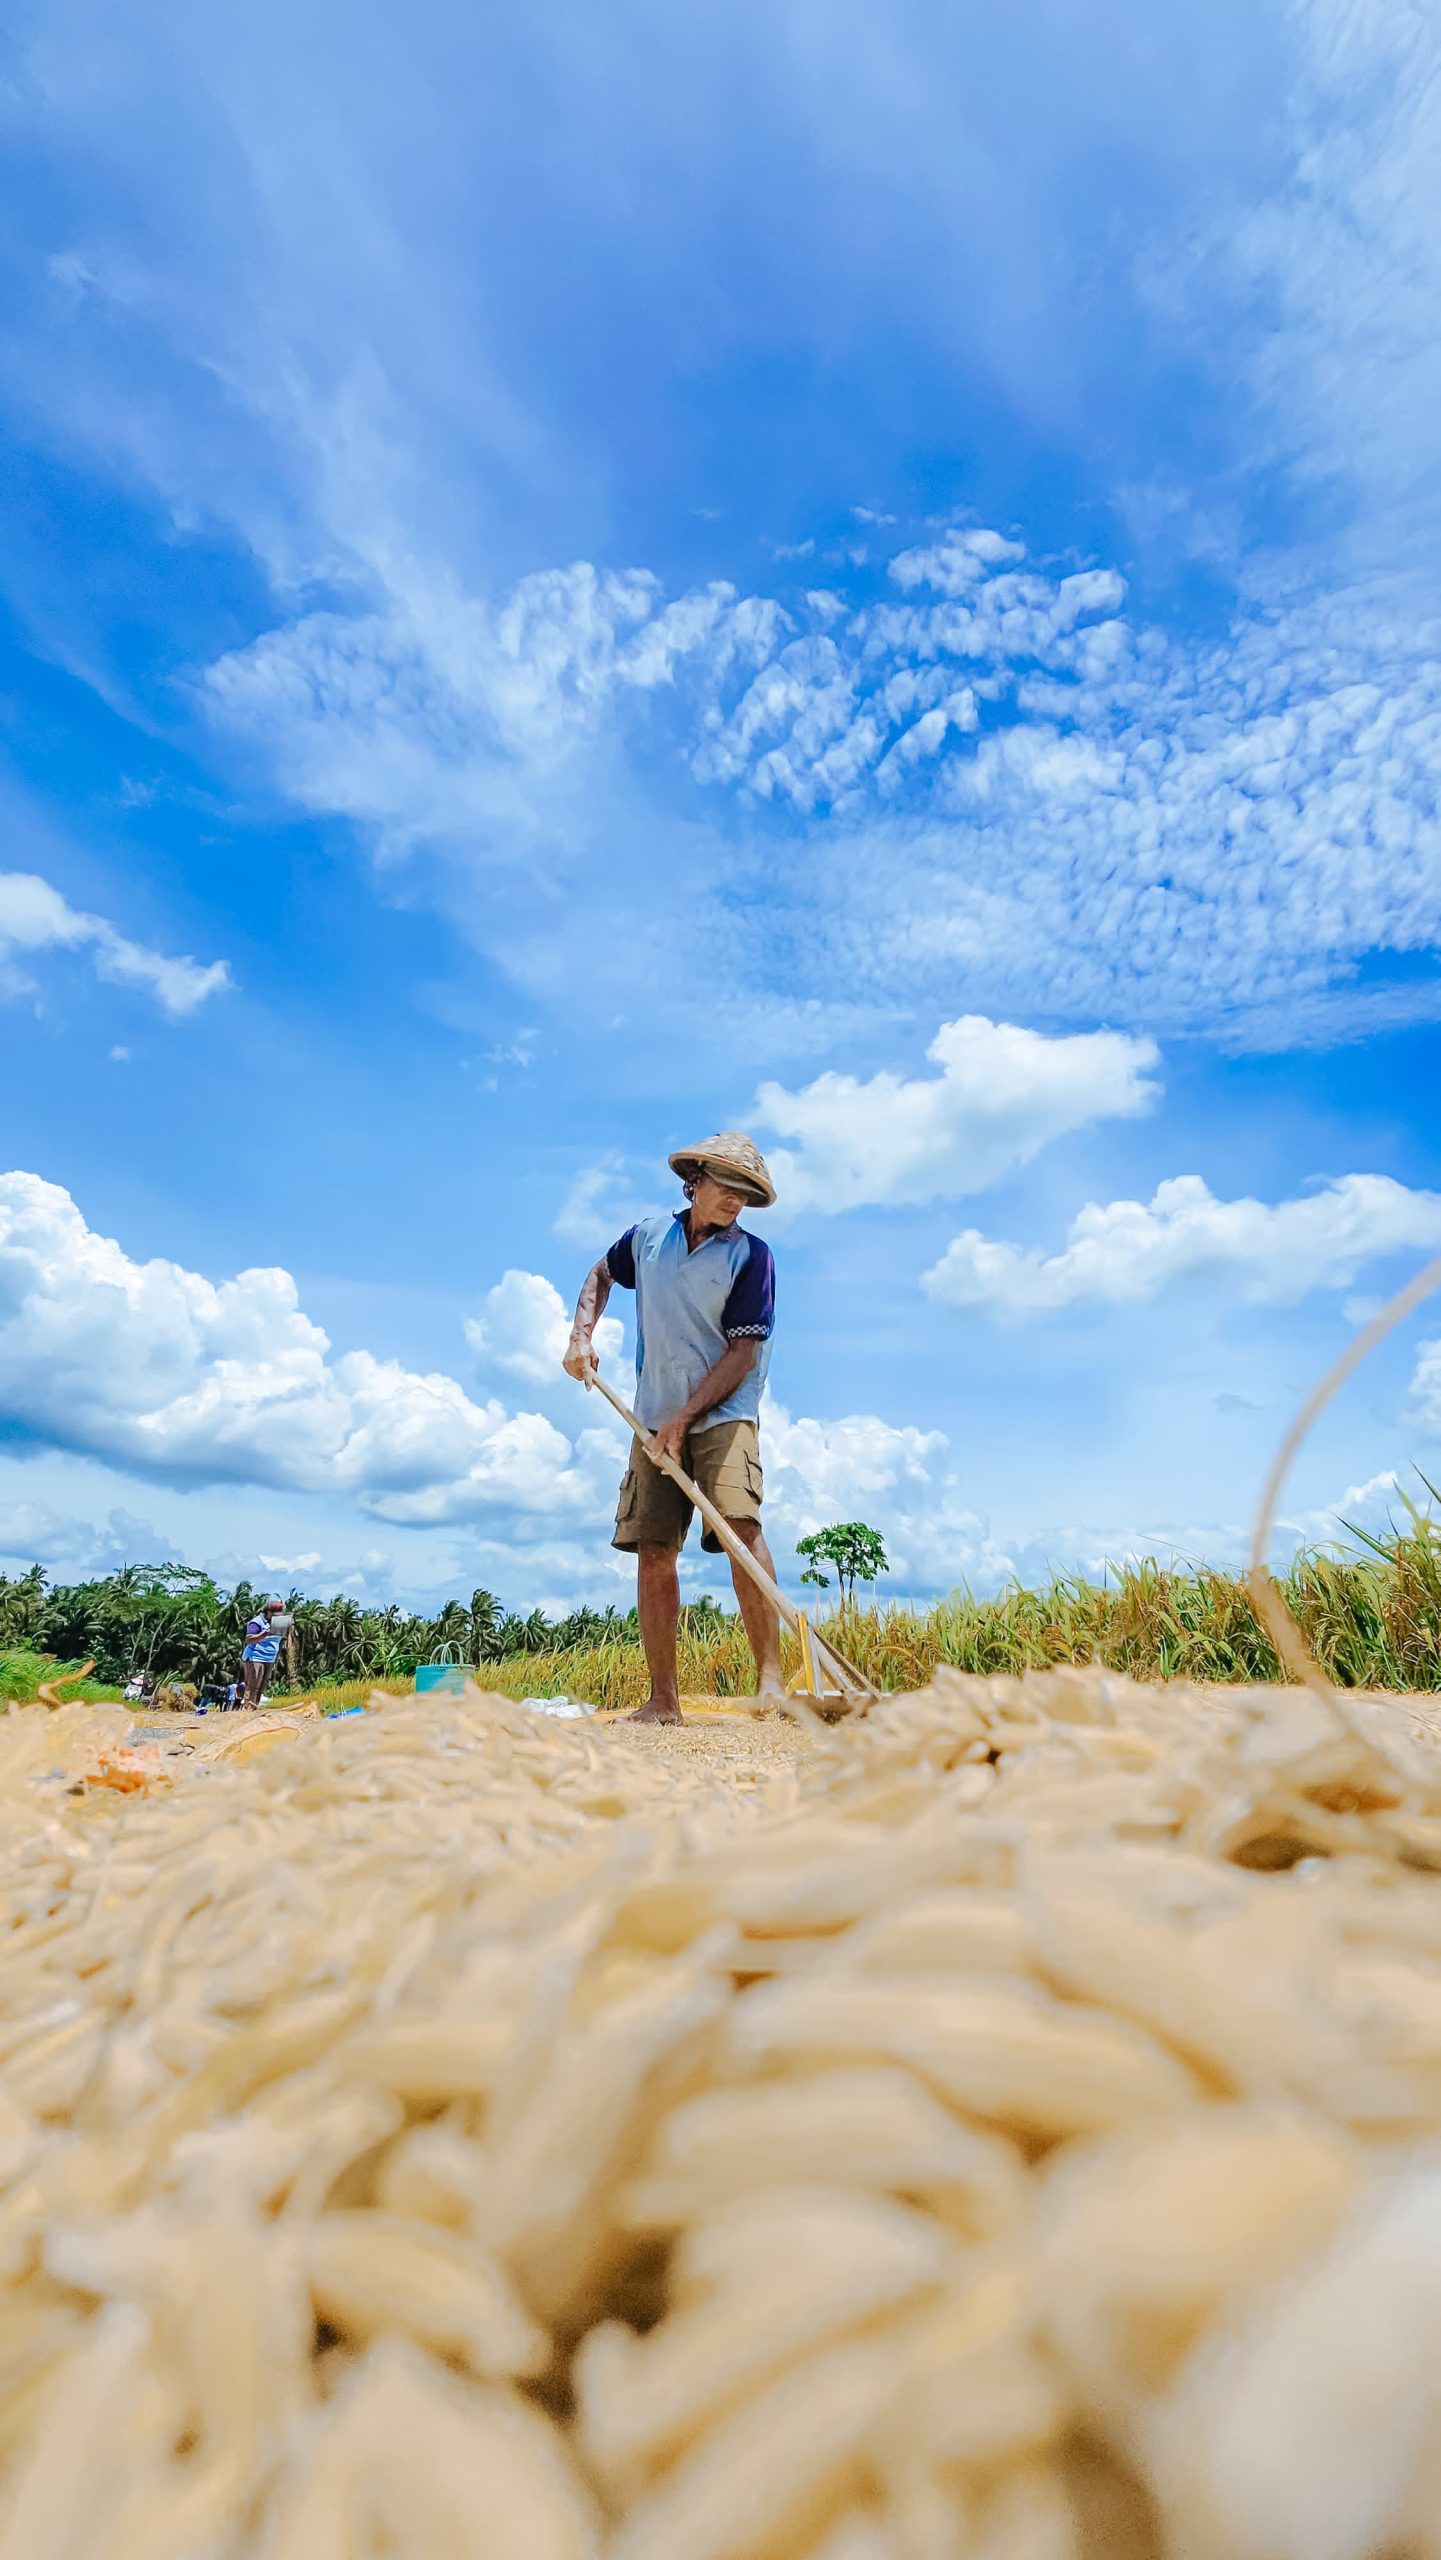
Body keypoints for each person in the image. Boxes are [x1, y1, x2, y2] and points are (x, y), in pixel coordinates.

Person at [565, 1131, 782, 1725]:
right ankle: (664, 1701)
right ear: (696, 1182)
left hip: (723, 1412)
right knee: (654, 1546)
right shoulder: (648, 1238)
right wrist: (580, 1336)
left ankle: (771, 1682)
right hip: (651, 1414)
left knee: (740, 1525)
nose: (736, 1201)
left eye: (747, 1194)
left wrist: (685, 1421)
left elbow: (741, 1355)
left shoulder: (751, 1257)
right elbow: (599, 1274)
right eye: (727, 1188)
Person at [240, 1599, 290, 1707]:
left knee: (261, 1686)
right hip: (255, 1656)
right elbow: (249, 1639)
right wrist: (264, 1634)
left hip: (270, 1658)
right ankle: (246, 1708)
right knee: (253, 1684)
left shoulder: (279, 1623)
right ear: (268, 1612)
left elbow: (281, 1640)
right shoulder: (256, 1622)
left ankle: (254, 1707)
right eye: (275, 1614)